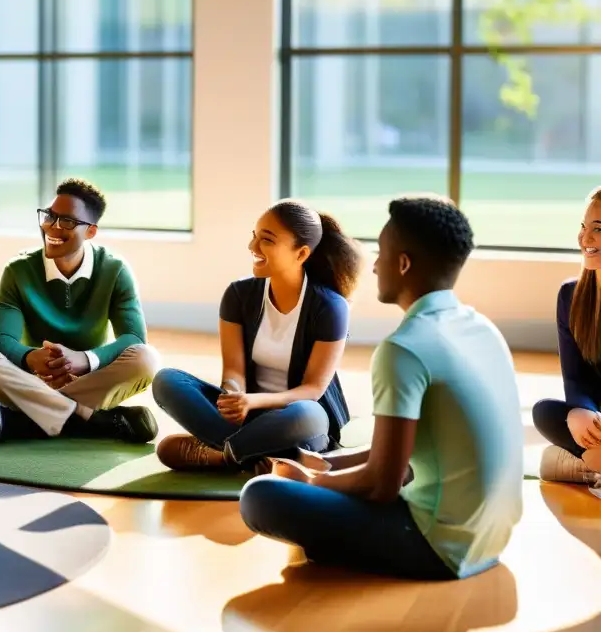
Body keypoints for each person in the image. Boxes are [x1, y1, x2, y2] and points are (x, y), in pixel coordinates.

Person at [240, 196, 523, 581]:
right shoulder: (481, 329)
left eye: (382, 253)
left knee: (260, 497)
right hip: (492, 540)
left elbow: (382, 483)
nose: (373, 265)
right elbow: (410, 449)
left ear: (403, 264)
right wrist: (328, 463)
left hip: (437, 548)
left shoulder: (403, 349)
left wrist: (314, 482)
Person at [151, 200, 362, 473]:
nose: (253, 247)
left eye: (267, 240)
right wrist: (234, 397)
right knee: (167, 380)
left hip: (298, 417)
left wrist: (254, 400)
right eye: (254, 236)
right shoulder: (238, 295)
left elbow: (312, 390)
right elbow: (234, 371)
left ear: (301, 254)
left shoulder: (330, 307)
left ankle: (223, 456)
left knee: (305, 415)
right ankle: (262, 455)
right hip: (248, 417)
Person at [0, 177, 161, 444]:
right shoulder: (18, 270)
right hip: (34, 377)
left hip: (89, 378)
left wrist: (85, 359)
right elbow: (2, 340)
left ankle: (29, 417)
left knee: (146, 359)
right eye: (49, 216)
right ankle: (89, 418)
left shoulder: (115, 270)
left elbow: (134, 339)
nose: (52, 227)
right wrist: (31, 357)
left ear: (91, 231)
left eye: (67, 221)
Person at [533, 186, 601, 483]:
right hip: (599, 421)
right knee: (545, 413)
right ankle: (593, 465)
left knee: (551, 463)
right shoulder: (570, 296)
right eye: (584, 227)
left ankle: (587, 467)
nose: (584, 238)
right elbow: (574, 377)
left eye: (598, 229)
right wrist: (581, 412)